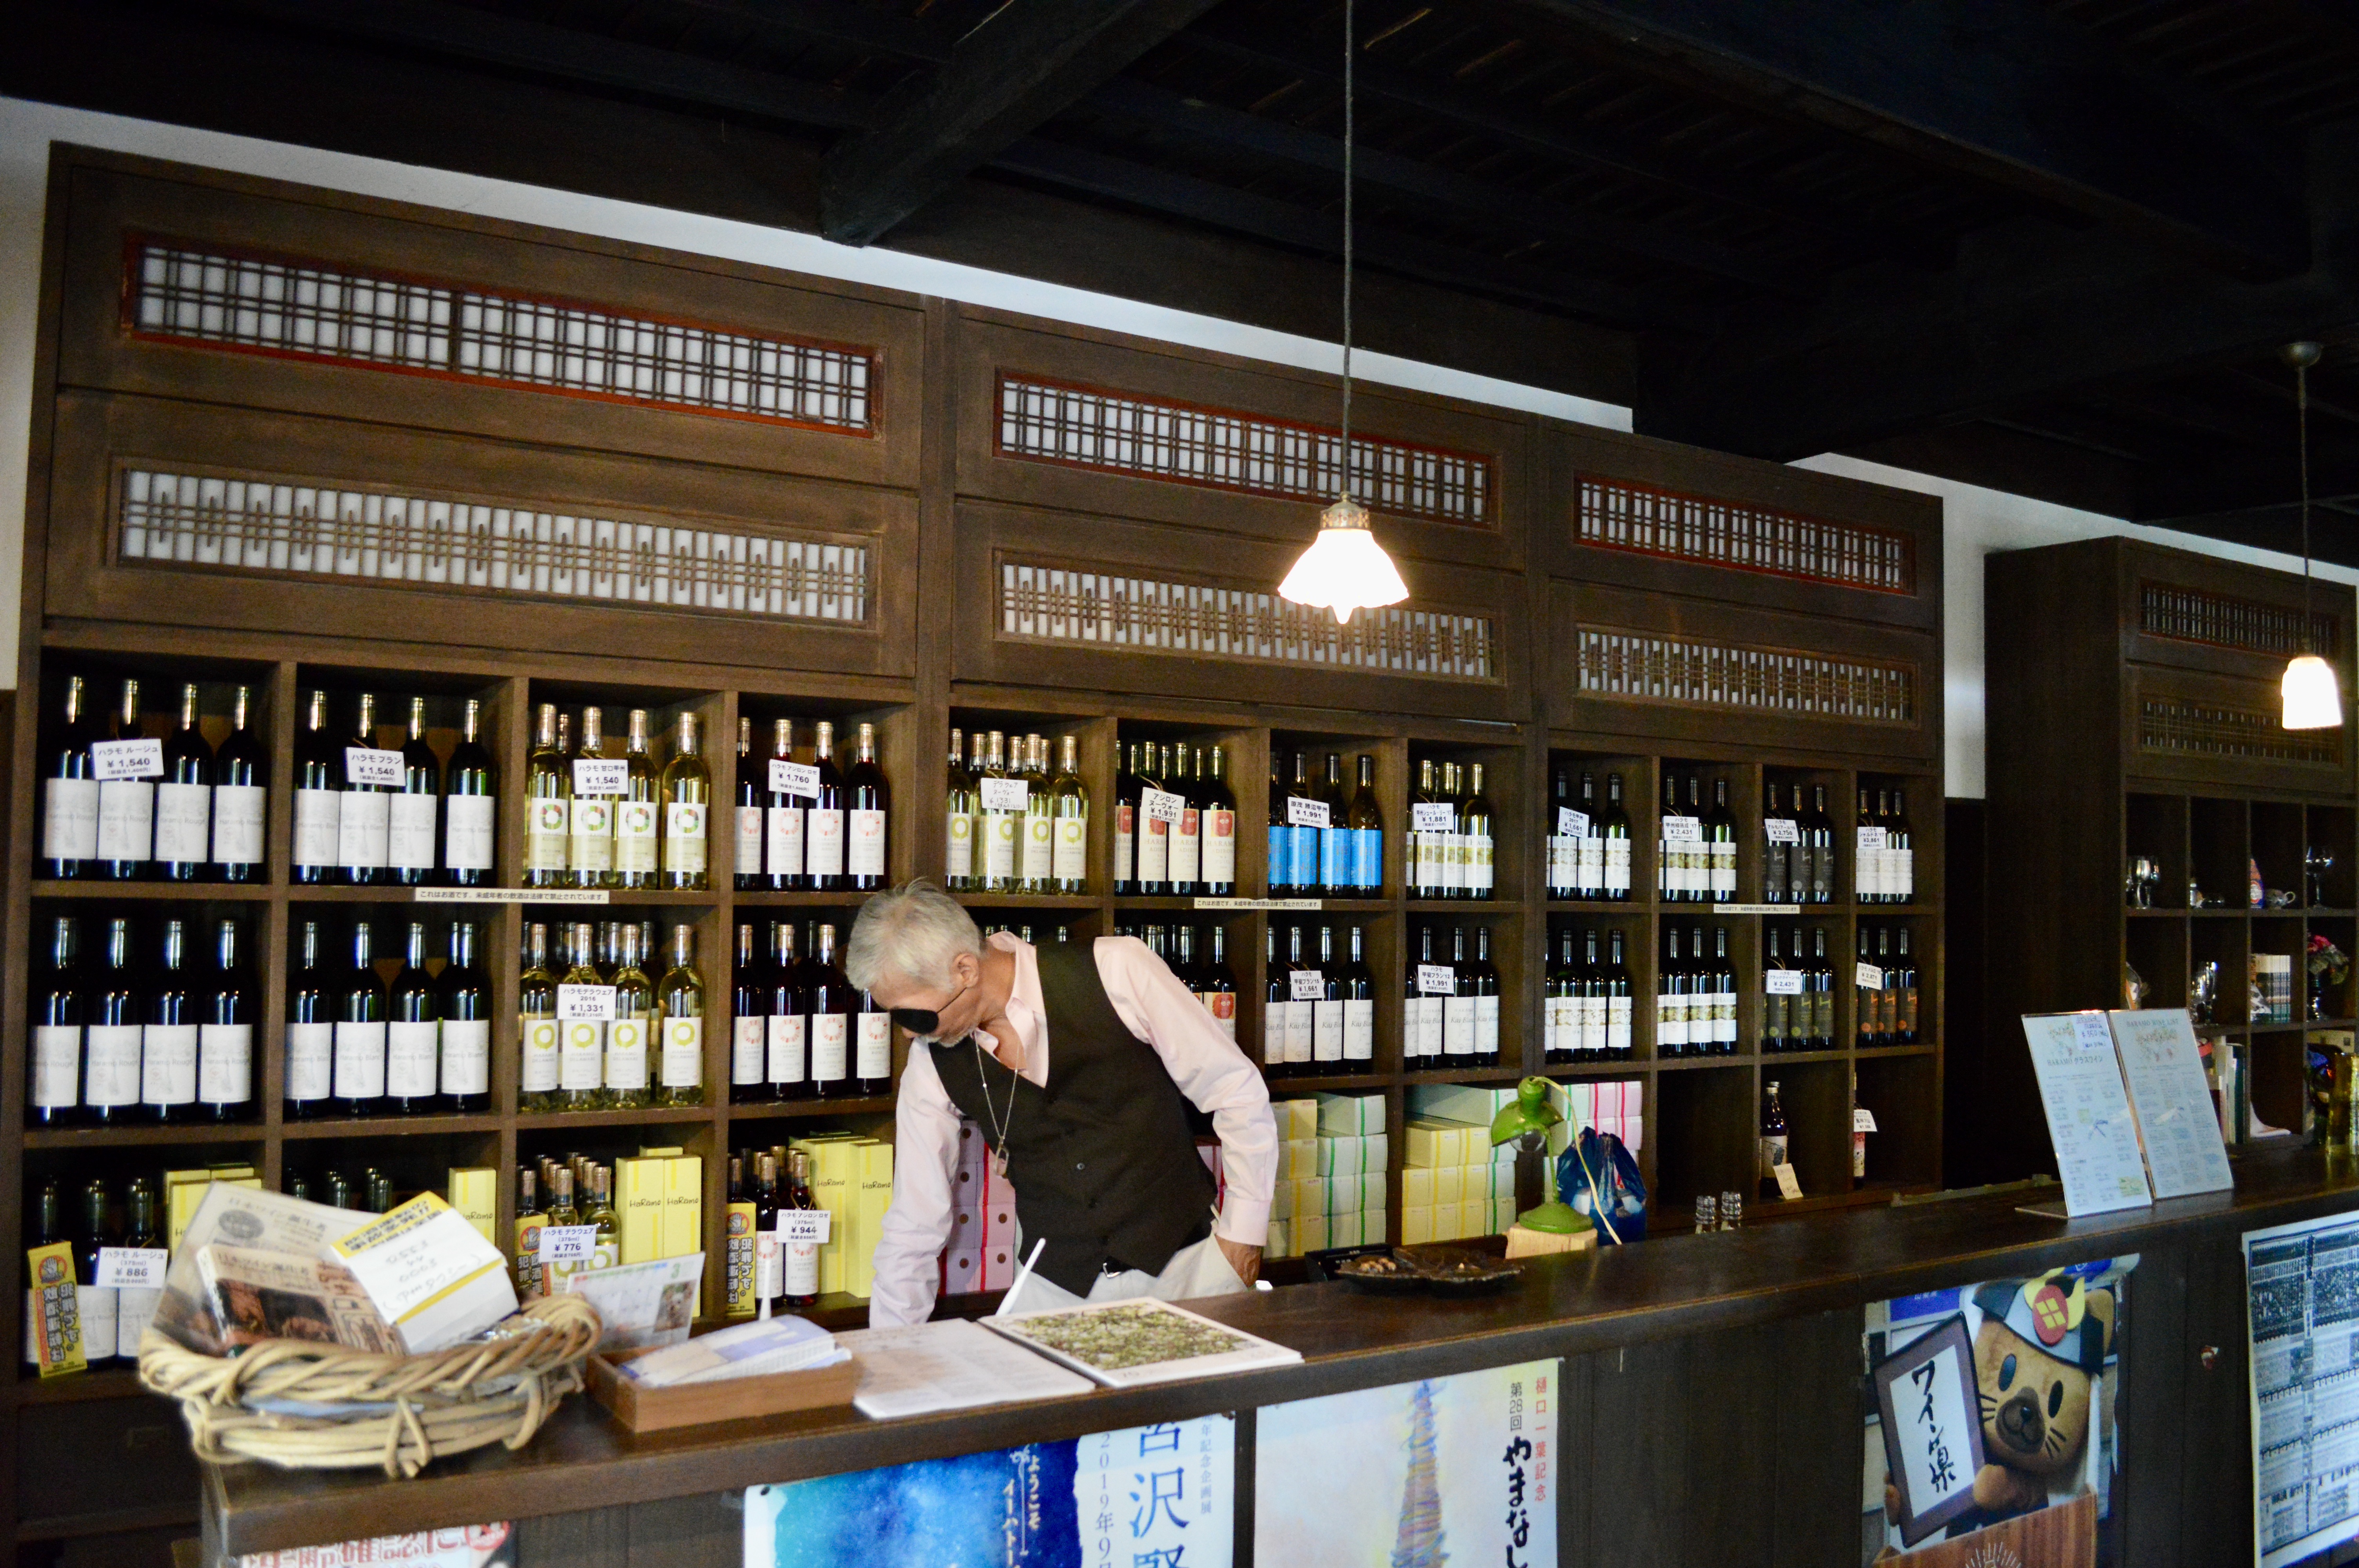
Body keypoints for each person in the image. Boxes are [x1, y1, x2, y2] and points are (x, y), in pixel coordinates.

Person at [849, 882, 1275, 1328]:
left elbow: (1235, 1089)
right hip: (1054, 1291)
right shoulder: (930, 1062)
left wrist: (1242, 1239)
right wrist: (891, 1351)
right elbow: (915, 1218)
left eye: (913, 1016)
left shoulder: (1116, 969)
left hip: (1190, 1270)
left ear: (965, 970)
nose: (908, 1034)